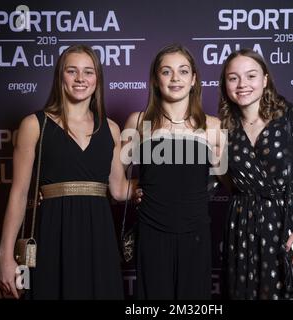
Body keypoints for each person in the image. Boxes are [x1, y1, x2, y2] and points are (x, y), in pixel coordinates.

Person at [0, 45, 130, 299]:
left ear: (97, 79)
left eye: (88, 72)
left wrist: (165, 181)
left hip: (99, 238)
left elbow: (119, 189)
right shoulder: (35, 125)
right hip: (51, 236)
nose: (81, 78)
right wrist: (5, 256)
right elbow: (19, 193)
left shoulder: (111, 129)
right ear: (61, 77)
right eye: (72, 71)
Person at [218, 48, 293, 300]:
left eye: (251, 76)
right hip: (241, 230)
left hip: (286, 227)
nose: (242, 84)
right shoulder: (223, 129)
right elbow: (218, 180)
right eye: (233, 77)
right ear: (225, 83)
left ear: (265, 79)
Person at [124, 44, 223, 299]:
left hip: (196, 234)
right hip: (151, 232)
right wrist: (134, 188)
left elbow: (231, 182)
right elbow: (114, 183)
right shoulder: (138, 122)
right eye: (166, 72)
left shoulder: (213, 126)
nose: (175, 78)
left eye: (183, 71)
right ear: (156, 80)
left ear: (194, 80)